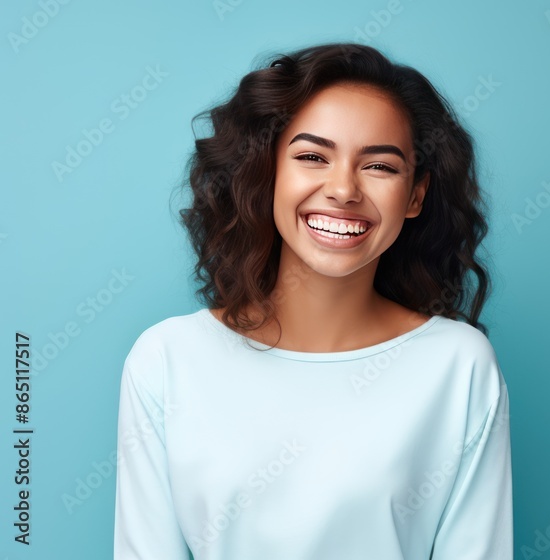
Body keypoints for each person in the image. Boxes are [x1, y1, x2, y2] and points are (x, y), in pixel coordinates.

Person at [113, 43, 512, 559]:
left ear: (415, 195)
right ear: (267, 172)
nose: (343, 189)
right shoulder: (166, 361)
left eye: (380, 167)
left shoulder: (458, 367)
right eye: (311, 157)